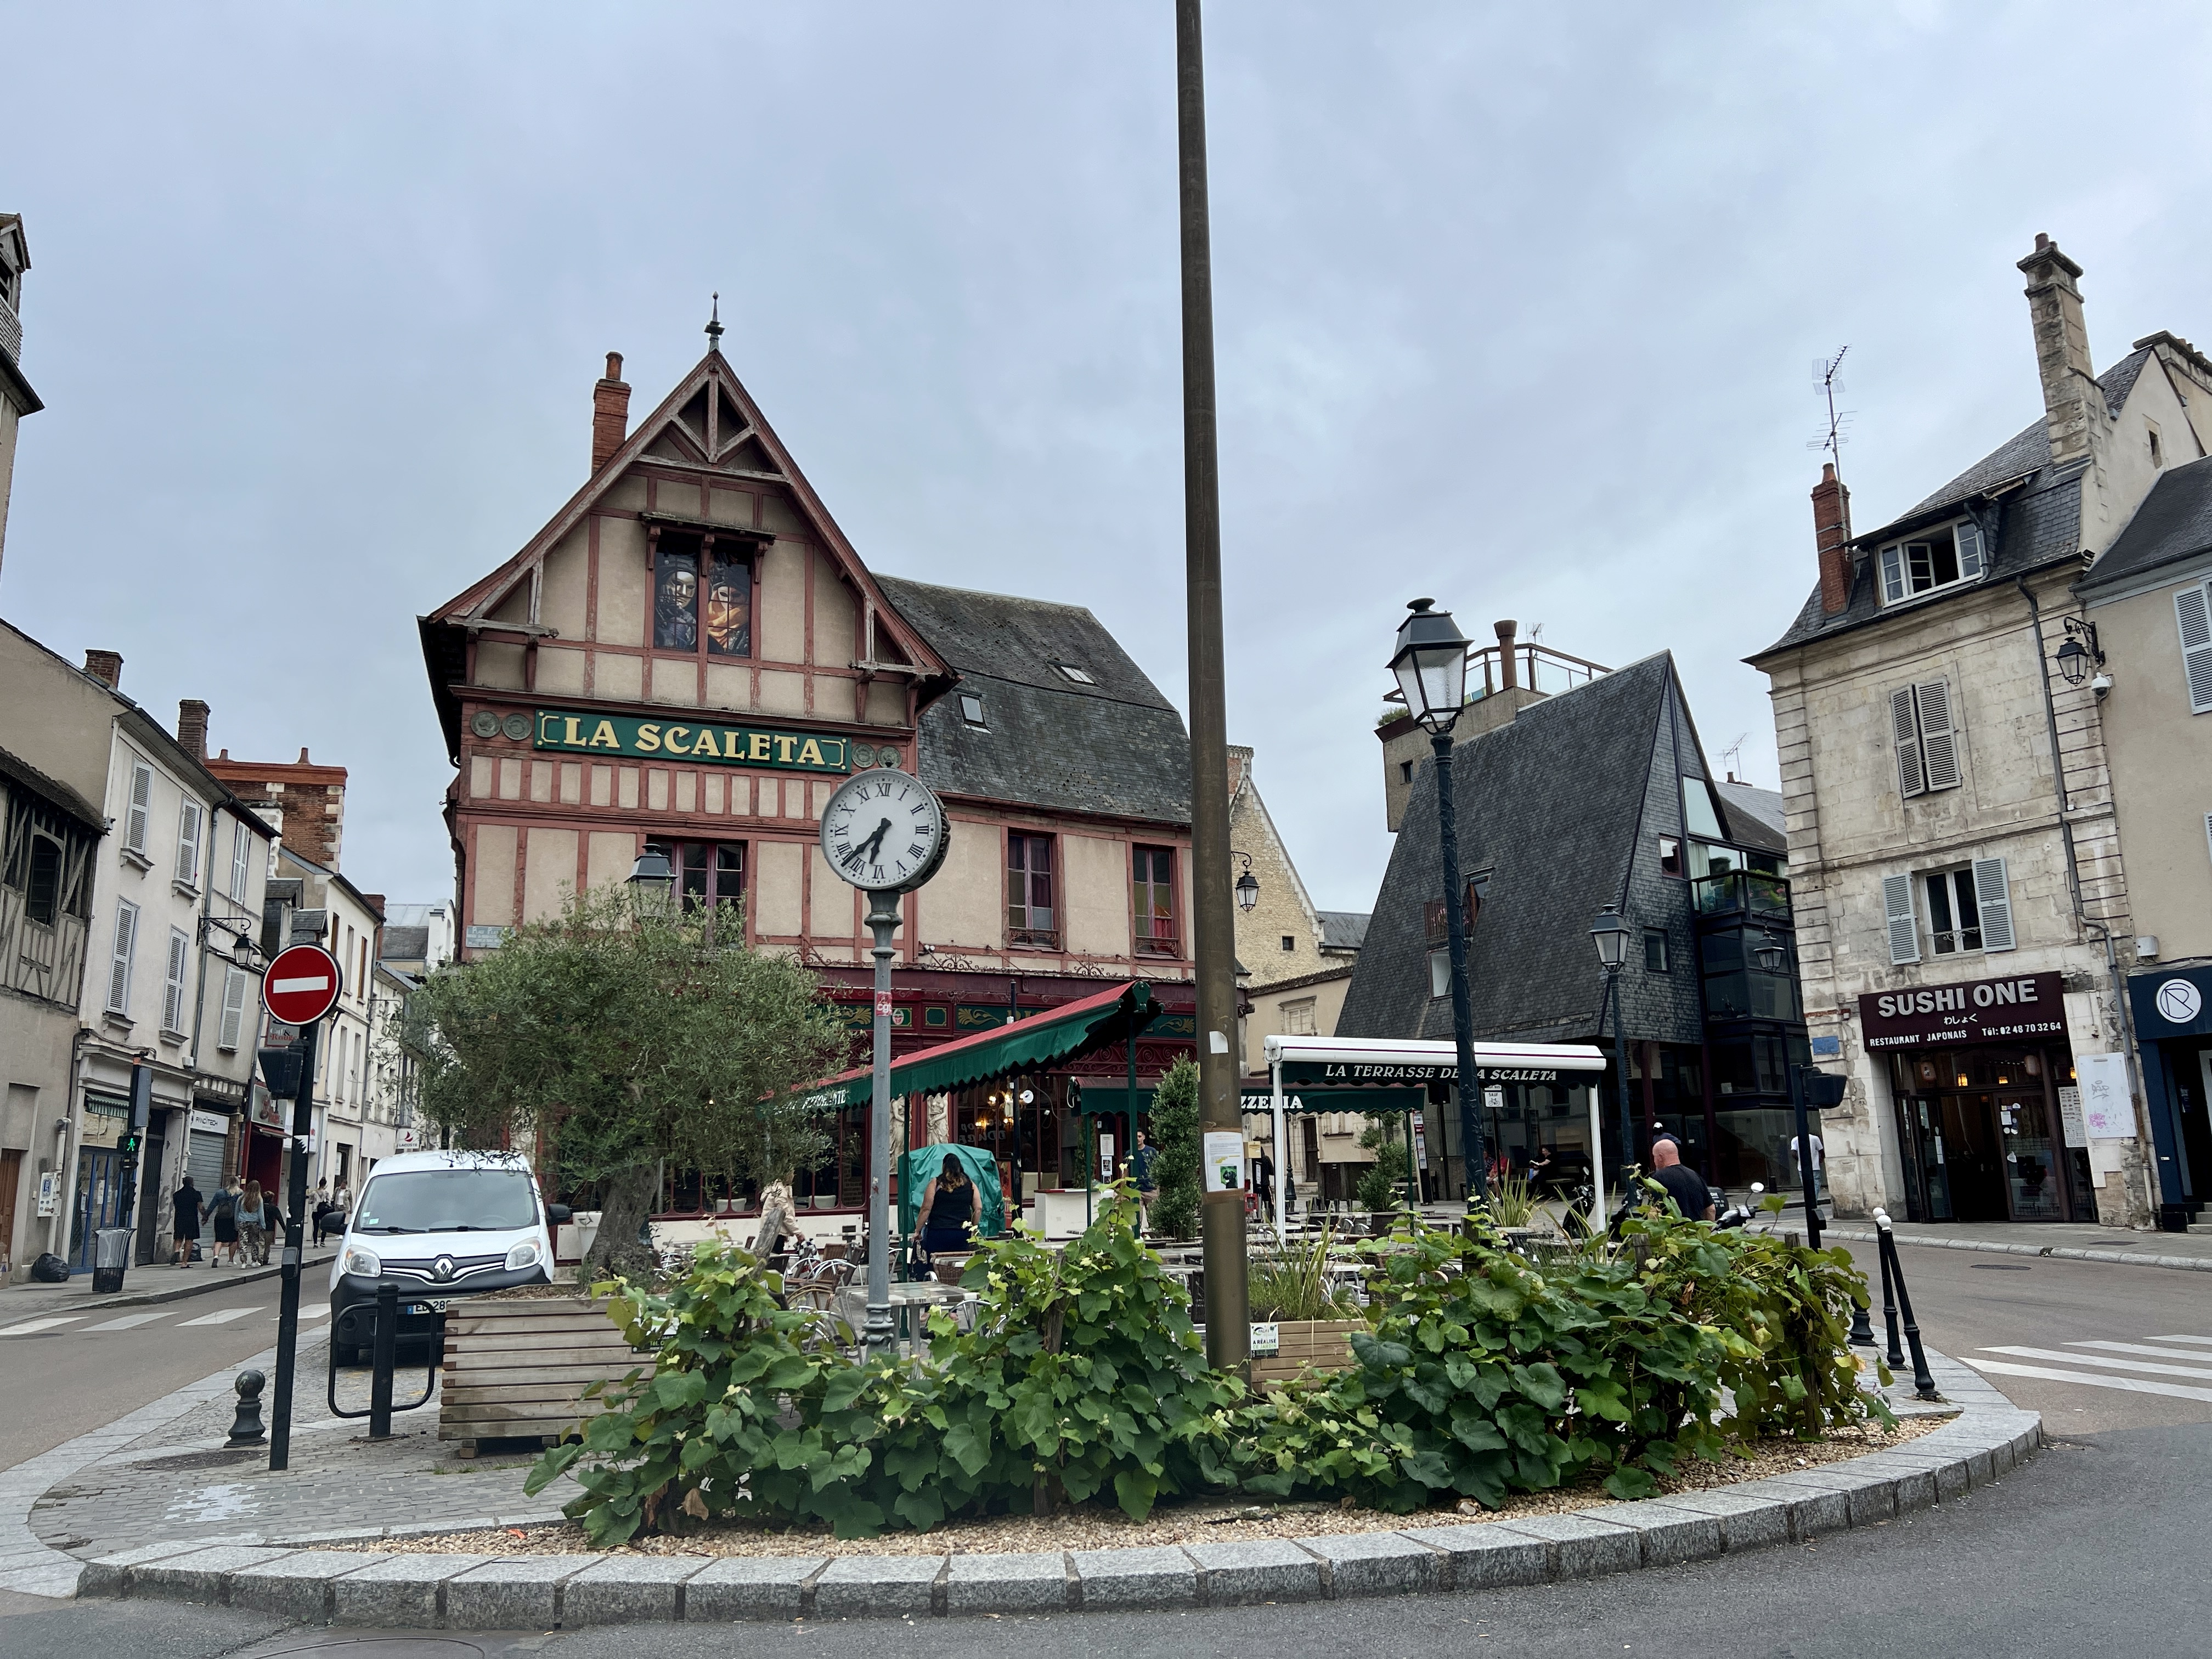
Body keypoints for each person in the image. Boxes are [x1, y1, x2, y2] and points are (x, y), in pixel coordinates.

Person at [915, 1157, 978, 1260]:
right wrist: (974, 1228)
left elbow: (926, 1209)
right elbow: (978, 1208)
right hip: (961, 1234)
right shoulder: (970, 1184)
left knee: (936, 1265)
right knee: (960, 1264)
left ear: (944, 1166)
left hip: (938, 1233)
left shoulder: (936, 1183)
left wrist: (918, 1231)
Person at [1645, 1137, 1716, 1221]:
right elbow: (1711, 1210)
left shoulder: (1658, 1179)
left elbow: (1654, 1213)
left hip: (1674, 1232)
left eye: (1655, 1157)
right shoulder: (1695, 1176)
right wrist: (1706, 1232)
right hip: (1696, 1232)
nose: (1655, 1161)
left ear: (1660, 1157)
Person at [1128, 1130, 1158, 1233]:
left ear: (1144, 1137)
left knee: (1154, 1218)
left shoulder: (1152, 1151)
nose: (1137, 1138)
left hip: (1151, 1189)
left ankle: (1156, 1239)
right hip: (1136, 1190)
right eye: (1135, 1136)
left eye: (1140, 1136)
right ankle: (1137, 1238)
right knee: (1137, 1218)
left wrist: (1158, 1186)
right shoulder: (1130, 1153)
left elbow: (1158, 1168)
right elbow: (1126, 1171)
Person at [172, 1175, 205, 1267]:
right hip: (191, 1219)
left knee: (179, 1237)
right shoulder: (196, 1194)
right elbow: (201, 1207)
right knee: (189, 1239)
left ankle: (177, 1251)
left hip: (179, 1218)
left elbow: (176, 1206)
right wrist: (205, 1216)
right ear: (192, 1183)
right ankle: (184, 1263)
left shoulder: (177, 1194)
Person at [237, 1180, 270, 1267]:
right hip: (254, 1223)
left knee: (243, 1242)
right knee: (254, 1242)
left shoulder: (242, 1198)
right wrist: (263, 1225)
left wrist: (236, 1223)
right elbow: (261, 1214)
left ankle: (243, 1262)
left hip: (242, 1222)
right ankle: (254, 1261)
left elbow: (237, 1211)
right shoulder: (259, 1199)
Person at [208, 1179, 241, 1266]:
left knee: (218, 1240)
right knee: (233, 1240)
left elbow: (212, 1205)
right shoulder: (240, 1193)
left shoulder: (220, 1193)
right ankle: (231, 1260)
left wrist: (206, 1216)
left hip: (220, 1218)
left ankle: (216, 1257)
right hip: (233, 1219)